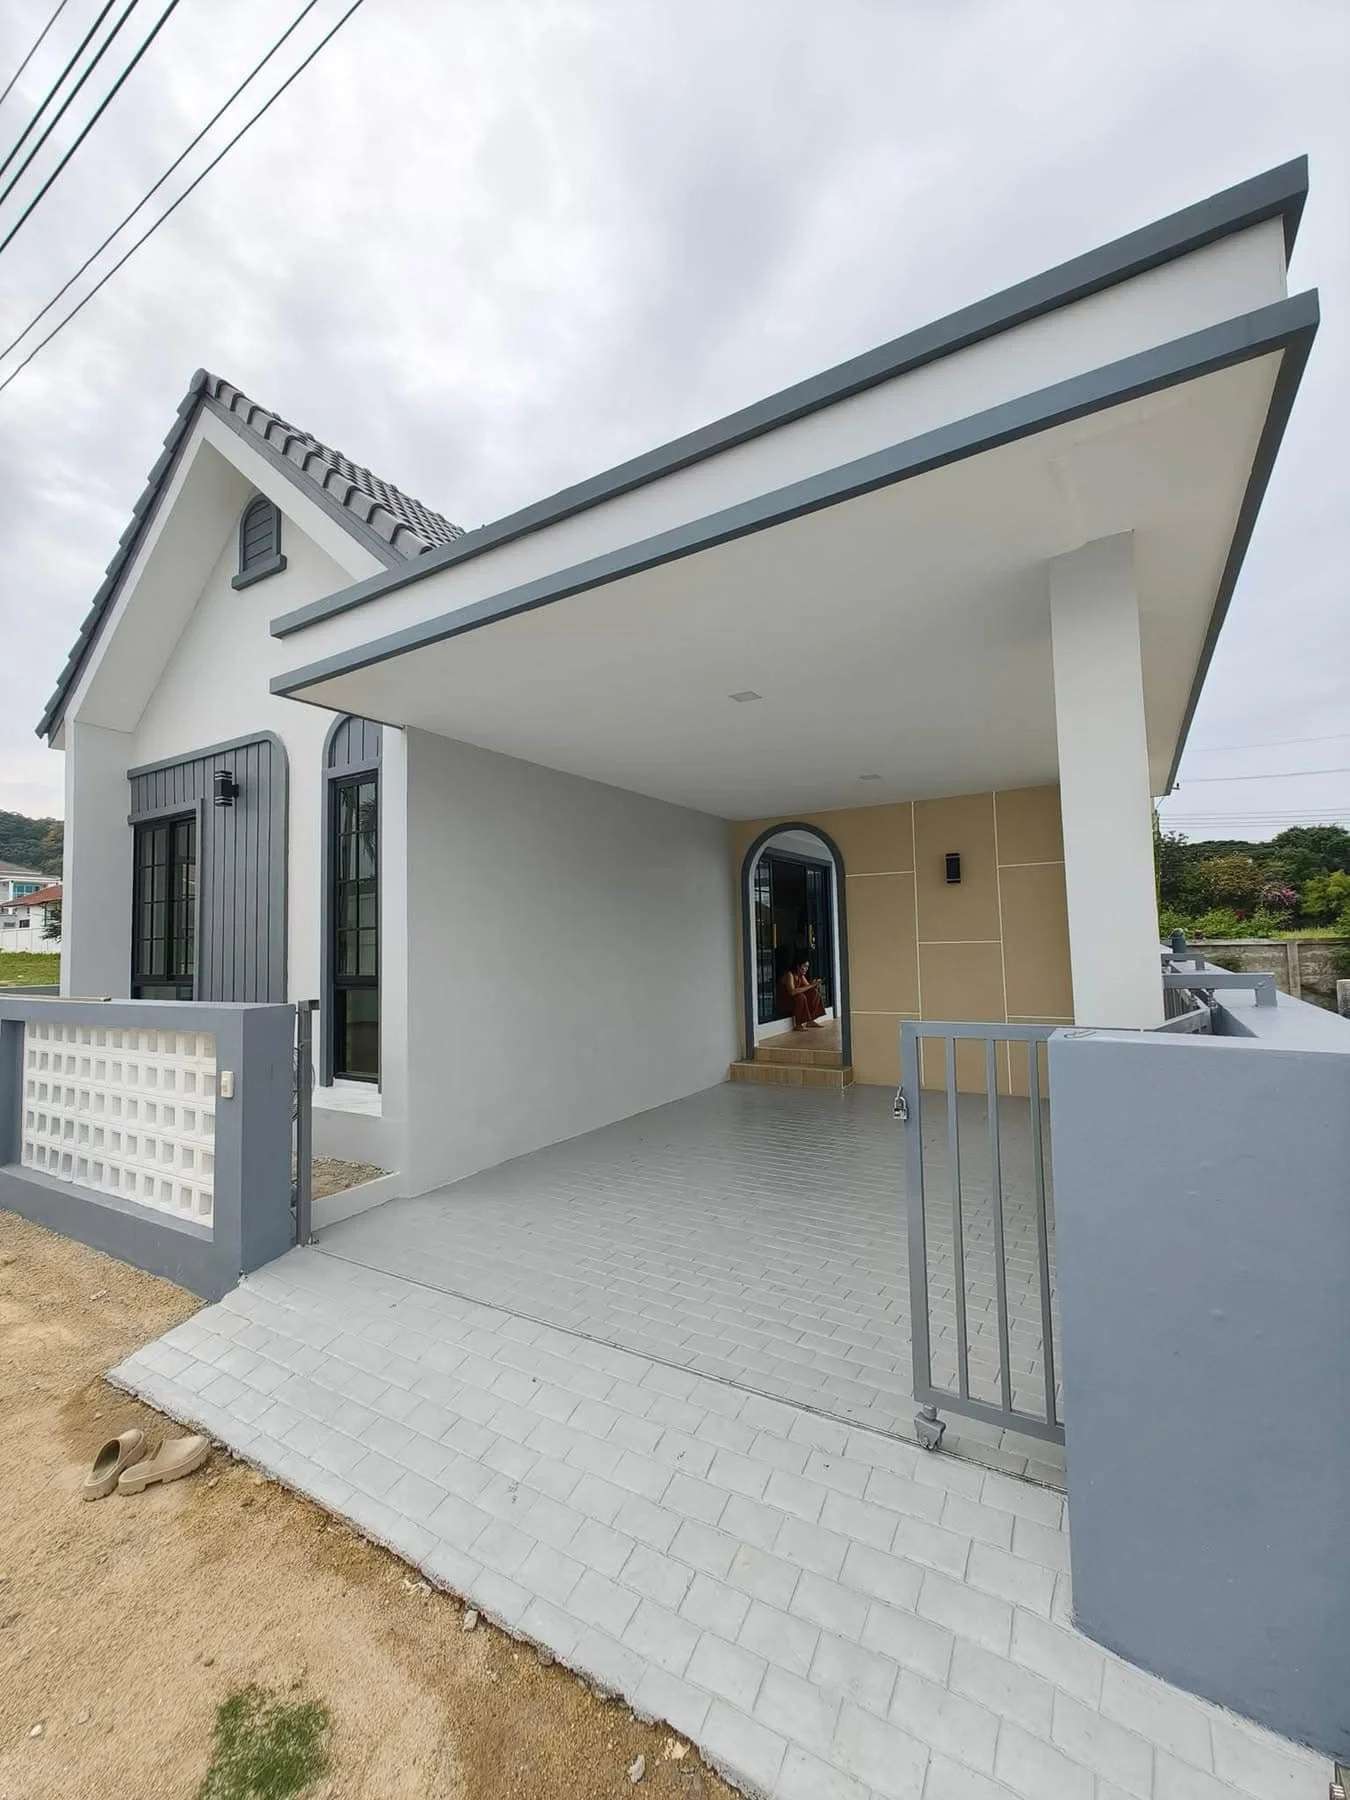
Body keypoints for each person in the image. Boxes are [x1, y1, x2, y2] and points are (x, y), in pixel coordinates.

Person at [781, 958, 826, 1030]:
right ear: (798, 966)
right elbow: (792, 992)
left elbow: (809, 988)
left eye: (807, 967)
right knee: (801, 997)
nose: (806, 969)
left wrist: (815, 985)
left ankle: (810, 1021)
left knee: (814, 994)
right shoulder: (789, 974)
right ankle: (798, 1024)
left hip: (795, 1001)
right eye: (805, 966)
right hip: (785, 1003)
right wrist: (811, 985)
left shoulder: (801, 976)